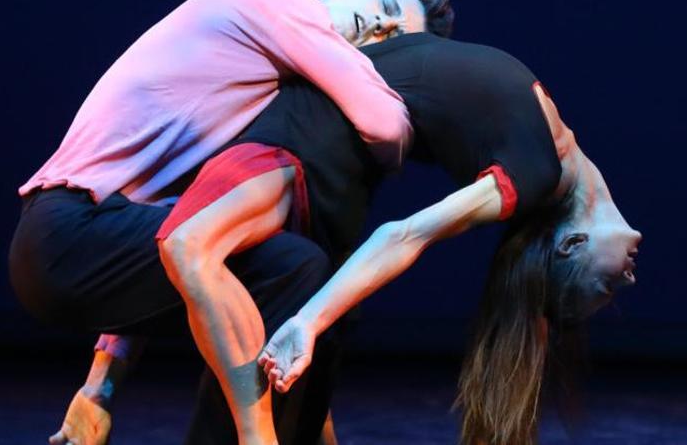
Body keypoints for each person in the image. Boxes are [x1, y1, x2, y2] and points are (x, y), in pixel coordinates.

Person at [117, 32, 641, 445]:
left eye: (611, 285)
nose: (629, 275)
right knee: (303, 340)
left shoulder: (534, 174)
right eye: (610, 288)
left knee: (309, 347)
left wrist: (310, 320)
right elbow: (404, 232)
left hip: (308, 145)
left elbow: (408, 235)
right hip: (299, 139)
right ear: (570, 246)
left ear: (571, 246)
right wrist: (310, 320)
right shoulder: (542, 167)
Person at [8, 0, 454, 445]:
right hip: (65, 231)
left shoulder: (258, 87)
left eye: (395, 37)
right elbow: (387, 127)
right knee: (294, 266)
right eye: (384, 10)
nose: (381, 30)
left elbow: (172, 229)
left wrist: (99, 390)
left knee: (306, 279)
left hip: (85, 244)